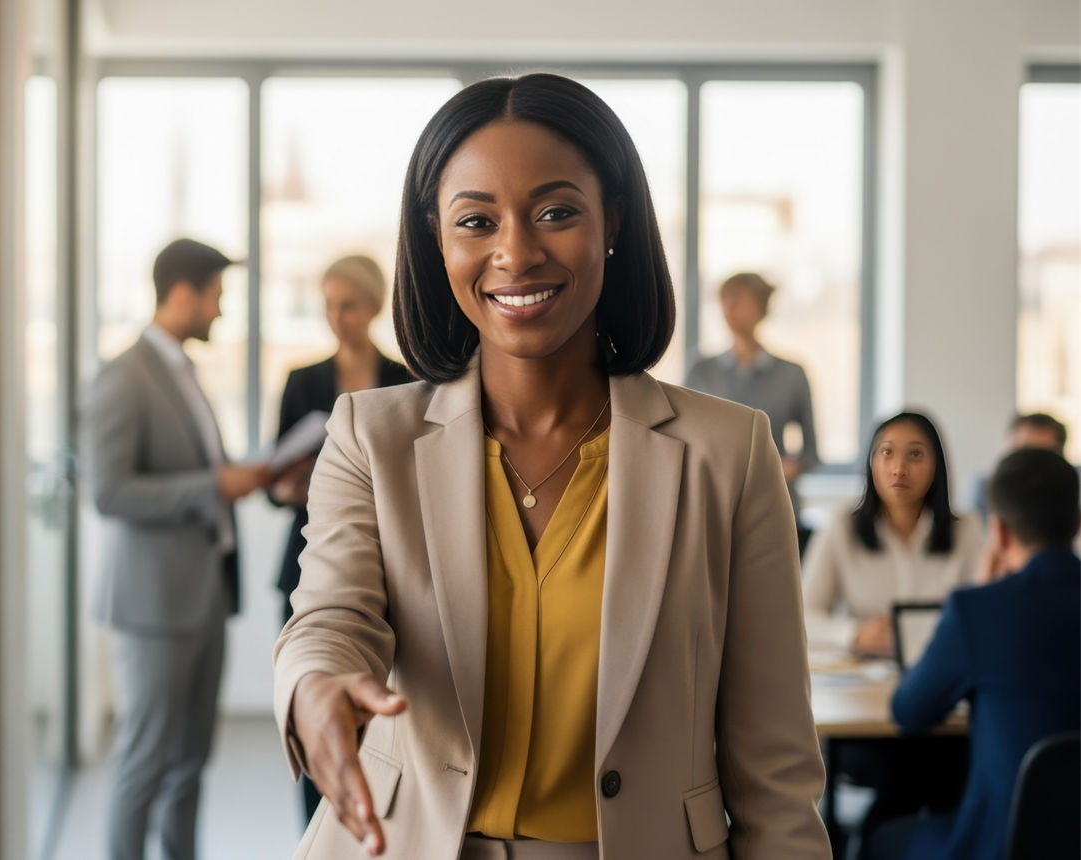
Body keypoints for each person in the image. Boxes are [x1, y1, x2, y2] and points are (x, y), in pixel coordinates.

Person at [273, 73, 829, 859]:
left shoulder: (728, 453)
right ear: (438, 240)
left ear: (613, 222)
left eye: (556, 212)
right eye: (477, 220)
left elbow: (776, 773)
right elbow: (331, 616)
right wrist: (317, 687)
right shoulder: (372, 435)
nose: (516, 253)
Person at [84, 238, 272, 860]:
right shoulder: (123, 376)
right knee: (145, 762)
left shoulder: (181, 370)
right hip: (154, 604)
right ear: (184, 293)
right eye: (217, 295)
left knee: (190, 761)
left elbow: (196, 472)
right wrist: (213, 486)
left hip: (204, 594)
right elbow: (109, 492)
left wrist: (246, 477)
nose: (221, 310)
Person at [870, 448, 1080, 860]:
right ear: (1078, 523)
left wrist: (984, 587)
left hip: (999, 843)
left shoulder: (979, 612)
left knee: (882, 836)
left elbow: (909, 710)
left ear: (998, 532)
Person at [268, 254, 412, 824]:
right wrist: (294, 485)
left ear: (374, 306)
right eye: (329, 305)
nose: (337, 317)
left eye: (347, 304)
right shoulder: (302, 381)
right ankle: (317, 833)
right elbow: (274, 481)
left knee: (384, 718)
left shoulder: (407, 381)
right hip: (307, 560)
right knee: (316, 699)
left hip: (392, 558)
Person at [802, 411, 982, 658]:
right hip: (860, 682)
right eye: (887, 453)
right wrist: (854, 634)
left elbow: (986, 615)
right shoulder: (841, 528)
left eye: (915, 454)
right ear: (870, 462)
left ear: (936, 466)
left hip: (942, 675)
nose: (899, 469)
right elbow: (803, 617)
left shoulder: (966, 530)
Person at [685, 272, 818, 538]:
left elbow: (811, 452)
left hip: (775, 505)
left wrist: (785, 468)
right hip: (714, 503)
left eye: (738, 299)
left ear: (761, 307)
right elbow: (682, 437)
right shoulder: (702, 371)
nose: (730, 308)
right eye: (725, 300)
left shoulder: (791, 373)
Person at [967, 412, 1069, 525]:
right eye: (1021, 451)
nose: (1029, 463)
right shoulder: (984, 489)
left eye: (1041, 455)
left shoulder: (1072, 493)